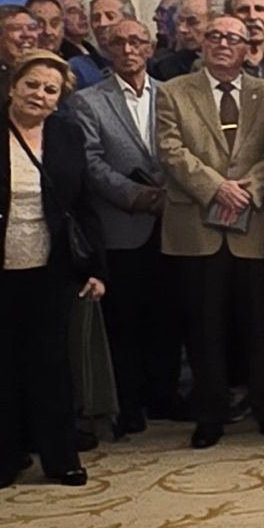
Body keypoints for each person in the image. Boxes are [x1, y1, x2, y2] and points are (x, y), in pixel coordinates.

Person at [0, 52, 103, 488]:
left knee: (52, 365)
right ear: (12, 87)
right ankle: (1, 459)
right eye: (32, 85)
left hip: (51, 266)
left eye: (50, 90)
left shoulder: (67, 135)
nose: (39, 95)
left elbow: (82, 204)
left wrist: (95, 268)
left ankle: (61, 458)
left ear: (59, 100)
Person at [159, 15, 264, 447]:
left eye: (232, 39)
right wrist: (217, 188)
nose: (222, 44)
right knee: (204, 329)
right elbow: (170, 150)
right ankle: (210, 416)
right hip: (197, 227)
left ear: (249, 47)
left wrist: (248, 190)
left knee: (261, 328)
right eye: (214, 36)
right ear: (201, 42)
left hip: (256, 225)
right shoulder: (174, 91)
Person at [70, 22, 177, 438]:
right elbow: (92, 164)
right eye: (118, 42)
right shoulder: (87, 102)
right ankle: (128, 405)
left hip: (174, 224)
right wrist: (140, 196)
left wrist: (174, 194)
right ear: (105, 49)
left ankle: (164, 396)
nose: (128, 49)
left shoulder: (173, 94)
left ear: (150, 47)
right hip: (122, 224)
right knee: (125, 322)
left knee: (168, 317)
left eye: (136, 41)